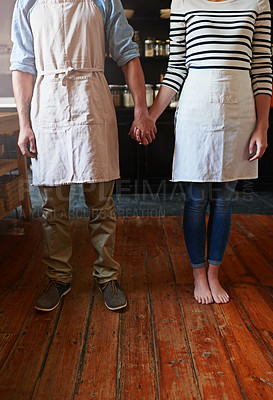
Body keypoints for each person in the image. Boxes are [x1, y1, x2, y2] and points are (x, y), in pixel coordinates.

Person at [10, 0, 156, 312]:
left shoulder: (104, 1)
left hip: (92, 102)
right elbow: (22, 64)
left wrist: (141, 110)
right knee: (52, 208)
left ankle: (107, 276)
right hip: (48, 108)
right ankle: (58, 277)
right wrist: (24, 124)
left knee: (102, 204)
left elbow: (128, 55)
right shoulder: (28, 3)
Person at [145, 0, 272, 304]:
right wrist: (149, 116)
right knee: (196, 199)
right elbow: (176, 69)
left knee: (225, 199)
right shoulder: (184, 3)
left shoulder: (257, 3)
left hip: (239, 116)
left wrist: (262, 126)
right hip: (196, 115)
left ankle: (214, 274)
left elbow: (263, 69)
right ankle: (198, 275)